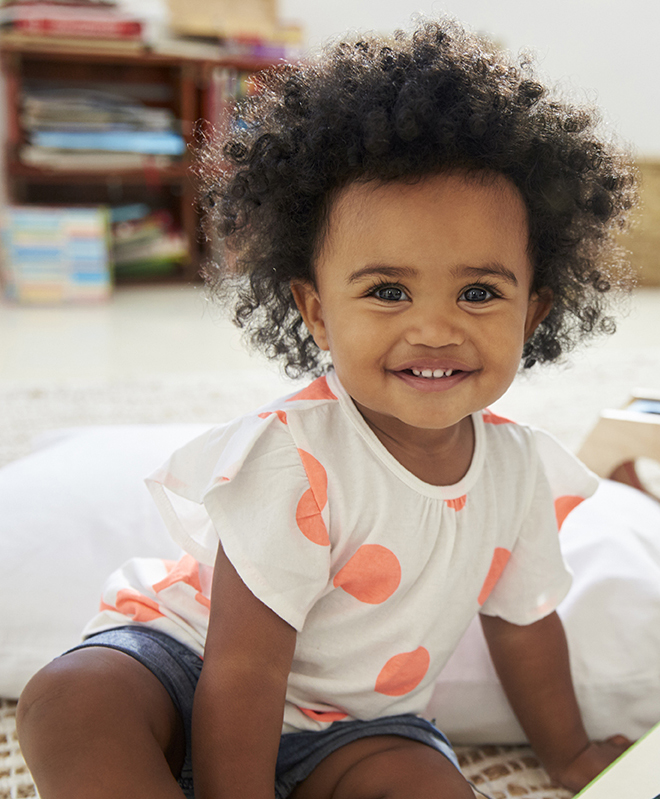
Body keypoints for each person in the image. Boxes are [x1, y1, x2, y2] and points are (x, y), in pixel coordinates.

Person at [17, 18, 638, 799]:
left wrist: (573, 754)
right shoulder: (293, 456)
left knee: (432, 787)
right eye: (387, 291)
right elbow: (243, 670)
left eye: (479, 292)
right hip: (186, 669)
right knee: (70, 701)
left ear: (536, 313)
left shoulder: (518, 471)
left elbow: (524, 627)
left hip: (358, 727)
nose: (435, 327)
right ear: (314, 311)